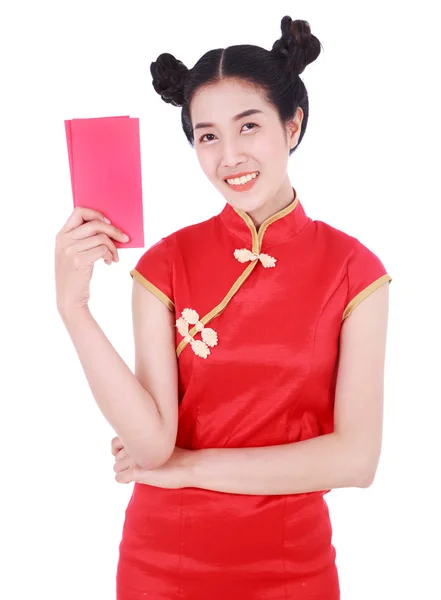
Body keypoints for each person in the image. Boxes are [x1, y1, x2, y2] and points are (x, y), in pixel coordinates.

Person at [55, 16, 392, 600]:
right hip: (162, 564)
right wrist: (74, 307)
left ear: (293, 125)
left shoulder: (355, 271)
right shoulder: (165, 264)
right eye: (207, 135)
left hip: (294, 567)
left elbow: (355, 460)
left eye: (249, 126)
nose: (229, 155)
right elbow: (152, 445)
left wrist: (185, 468)